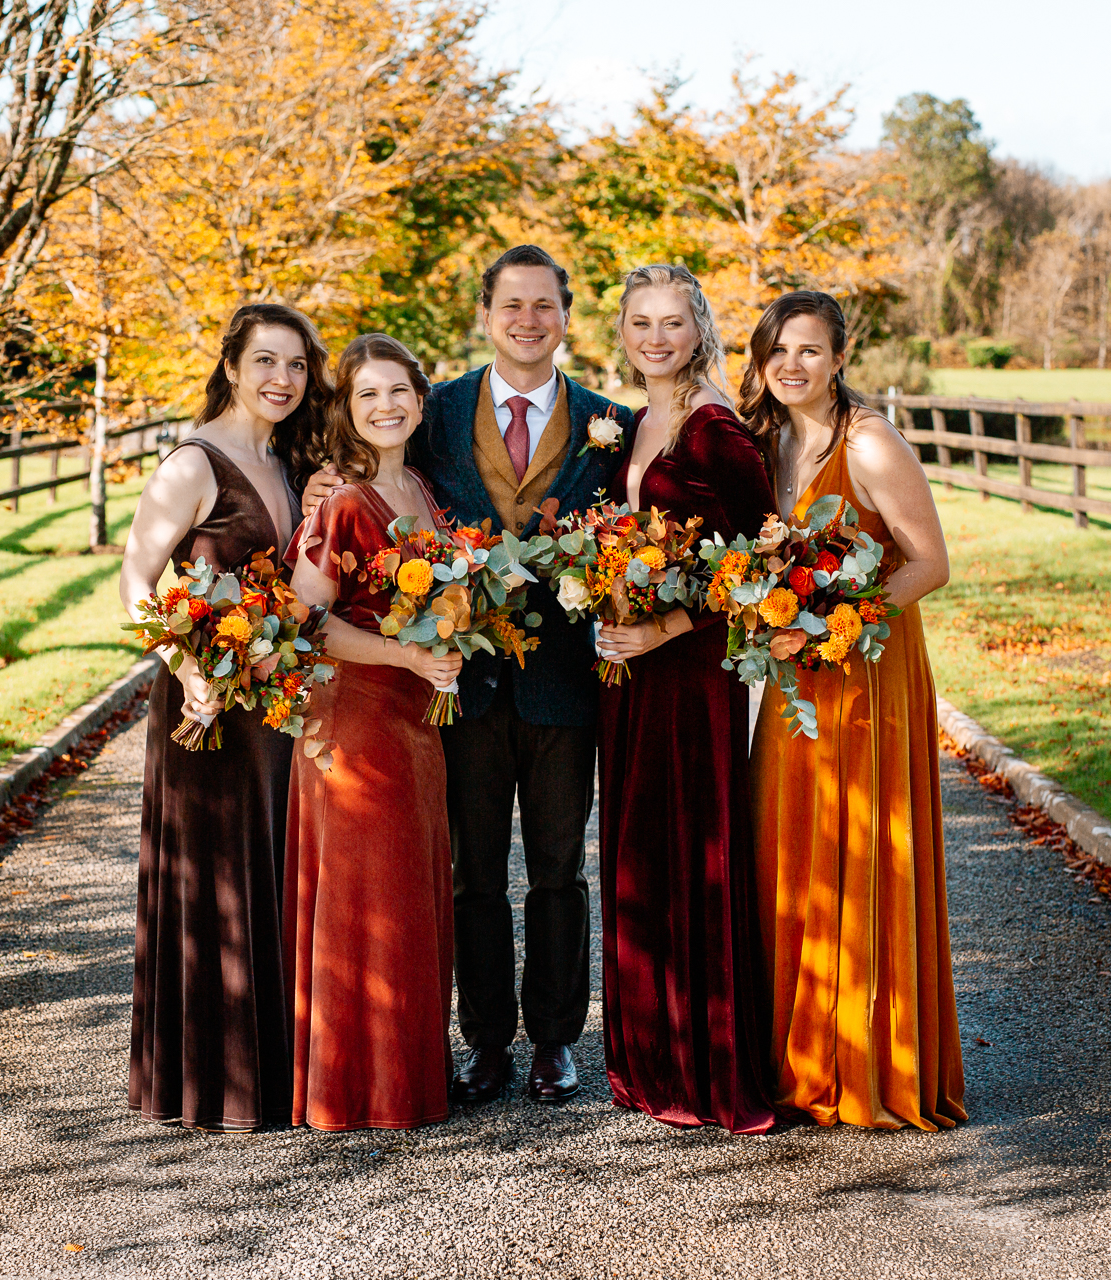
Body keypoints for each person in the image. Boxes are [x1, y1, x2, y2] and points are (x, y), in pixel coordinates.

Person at [301, 247, 636, 1105]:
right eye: (511, 305)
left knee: (560, 870)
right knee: (473, 874)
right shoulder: (433, 411)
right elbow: (363, 473)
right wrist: (320, 487)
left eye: (545, 306)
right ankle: (485, 1040)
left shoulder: (612, 423)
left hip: (565, 682)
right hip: (459, 689)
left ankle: (558, 1040)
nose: (529, 321)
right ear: (486, 314)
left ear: (567, 315)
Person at [740, 290, 966, 1131]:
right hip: (800, 682)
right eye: (777, 352)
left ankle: (866, 1062)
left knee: (859, 848)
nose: (792, 365)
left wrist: (838, 624)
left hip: (866, 672)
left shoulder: (868, 443)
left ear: (839, 357)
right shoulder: (769, 444)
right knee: (792, 845)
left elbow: (930, 563)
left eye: (809, 350)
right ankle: (799, 1056)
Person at [119, 302, 329, 1130]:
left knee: (270, 870)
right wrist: (188, 666)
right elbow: (135, 586)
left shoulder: (283, 462)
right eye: (267, 362)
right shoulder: (194, 462)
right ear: (233, 366)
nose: (283, 379)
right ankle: (212, 1081)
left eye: (298, 366)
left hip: (272, 703)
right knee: (217, 879)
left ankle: (275, 1073)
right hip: (206, 703)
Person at [593, 265, 777, 1134]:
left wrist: (661, 630)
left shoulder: (716, 430)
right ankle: (647, 1056)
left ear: (699, 327)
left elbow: (755, 559)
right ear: (623, 331)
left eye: (672, 322)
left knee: (690, 848)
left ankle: (706, 1065)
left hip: (686, 666)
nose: (655, 337)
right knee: (637, 851)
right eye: (640, 323)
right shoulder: (633, 422)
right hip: (627, 669)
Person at [283, 333, 464, 1131]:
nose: (386, 406)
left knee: (411, 888)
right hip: (355, 717)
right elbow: (305, 622)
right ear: (348, 414)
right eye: (367, 396)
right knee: (373, 893)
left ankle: (408, 1070)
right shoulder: (345, 503)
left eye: (398, 392)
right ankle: (362, 1086)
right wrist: (406, 654)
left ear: (421, 402)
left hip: (416, 714)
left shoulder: (422, 489)